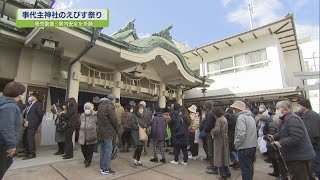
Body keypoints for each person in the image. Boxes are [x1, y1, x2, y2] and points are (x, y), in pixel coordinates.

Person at [270, 101, 316, 180]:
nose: (276, 111)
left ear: (285, 109)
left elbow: (296, 137)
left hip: (299, 158)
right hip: (296, 156)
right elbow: (285, 132)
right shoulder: (286, 119)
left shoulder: (292, 119)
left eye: (277, 108)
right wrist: (274, 137)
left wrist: (280, 142)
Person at [0, 81, 25, 179]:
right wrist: (12, 145)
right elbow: (6, 127)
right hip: (3, 144)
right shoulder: (10, 106)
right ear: (19, 94)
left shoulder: (4, 103)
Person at [231, 100, 258, 180]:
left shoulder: (241, 118)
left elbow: (241, 134)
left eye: (234, 108)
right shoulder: (251, 117)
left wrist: (236, 144)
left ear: (237, 109)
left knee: (245, 169)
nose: (233, 110)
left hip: (244, 147)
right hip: (252, 146)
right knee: (250, 168)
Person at [297, 99, 320, 180]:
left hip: (314, 145)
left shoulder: (312, 115)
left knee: (317, 165)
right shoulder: (305, 114)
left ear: (304, 106)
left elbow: (313, 132)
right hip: (311, 144)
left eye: (299, 105)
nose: (298, 107)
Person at [97, 95, 118, 175]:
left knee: (103, 150)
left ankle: (102, 167)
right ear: (113, 100)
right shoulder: (109, 106)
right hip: (108, 132)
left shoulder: (100, 105)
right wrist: (117, 129)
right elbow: (114, 119)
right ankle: (106, 169)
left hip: (101, 132)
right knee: (108, 151)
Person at [22, 93, 43, 160]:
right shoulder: (30, 104)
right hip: (27, 123)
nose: (30, 97)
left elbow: (40, 114)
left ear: (35, 97)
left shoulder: (38, 104)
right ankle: (27, 151)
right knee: (26, 137)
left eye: (31, 96)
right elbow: (27, 113)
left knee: (30, 137)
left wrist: (36, 123)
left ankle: (32, 153)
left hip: (33, 124)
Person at [211, 107, 231, 180]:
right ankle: (227, 172)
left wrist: (212, 131)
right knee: (224, 157)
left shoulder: (218, 120)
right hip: (225, 139)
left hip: (219, 140)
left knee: (219, 157)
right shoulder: (224, 118)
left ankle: (222, 174)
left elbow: (216, 130)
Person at [78, 102, 97, 167]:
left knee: (90, 150)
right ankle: (86, 158)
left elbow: (98, 123)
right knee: (83, 149)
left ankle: (88, 161)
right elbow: (80, 122)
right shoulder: (82, 115)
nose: (87, 109)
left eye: (88, 108)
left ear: (91, 108)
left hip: (91, 135)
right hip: (82, 135)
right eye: (86, 108)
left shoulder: (95, 115)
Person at [202, 100, 218, 174]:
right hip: (213, 133)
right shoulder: (213, 112)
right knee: (212, 150)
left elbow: (208, 125)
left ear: (206, 106)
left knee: (211, 151)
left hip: (210, 133)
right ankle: (213, 165)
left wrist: (204, 129)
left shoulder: (209, 113)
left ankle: (214, 167)